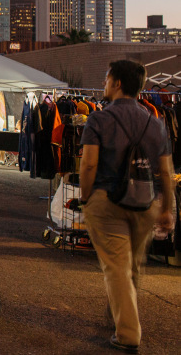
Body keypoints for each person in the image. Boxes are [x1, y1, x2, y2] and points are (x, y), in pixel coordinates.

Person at [79, 60, 175, 353]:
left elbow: (89, 164)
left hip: (107, 201)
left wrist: (85, 198)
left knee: (117, 267)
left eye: (107, 78)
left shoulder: (99, 120)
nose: (105, 83)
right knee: (131, 263)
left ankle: (129, 334)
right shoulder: (155, 123)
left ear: (117, 83)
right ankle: (116, 316)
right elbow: (166, 172)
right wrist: (167, 208)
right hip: (144, 202)